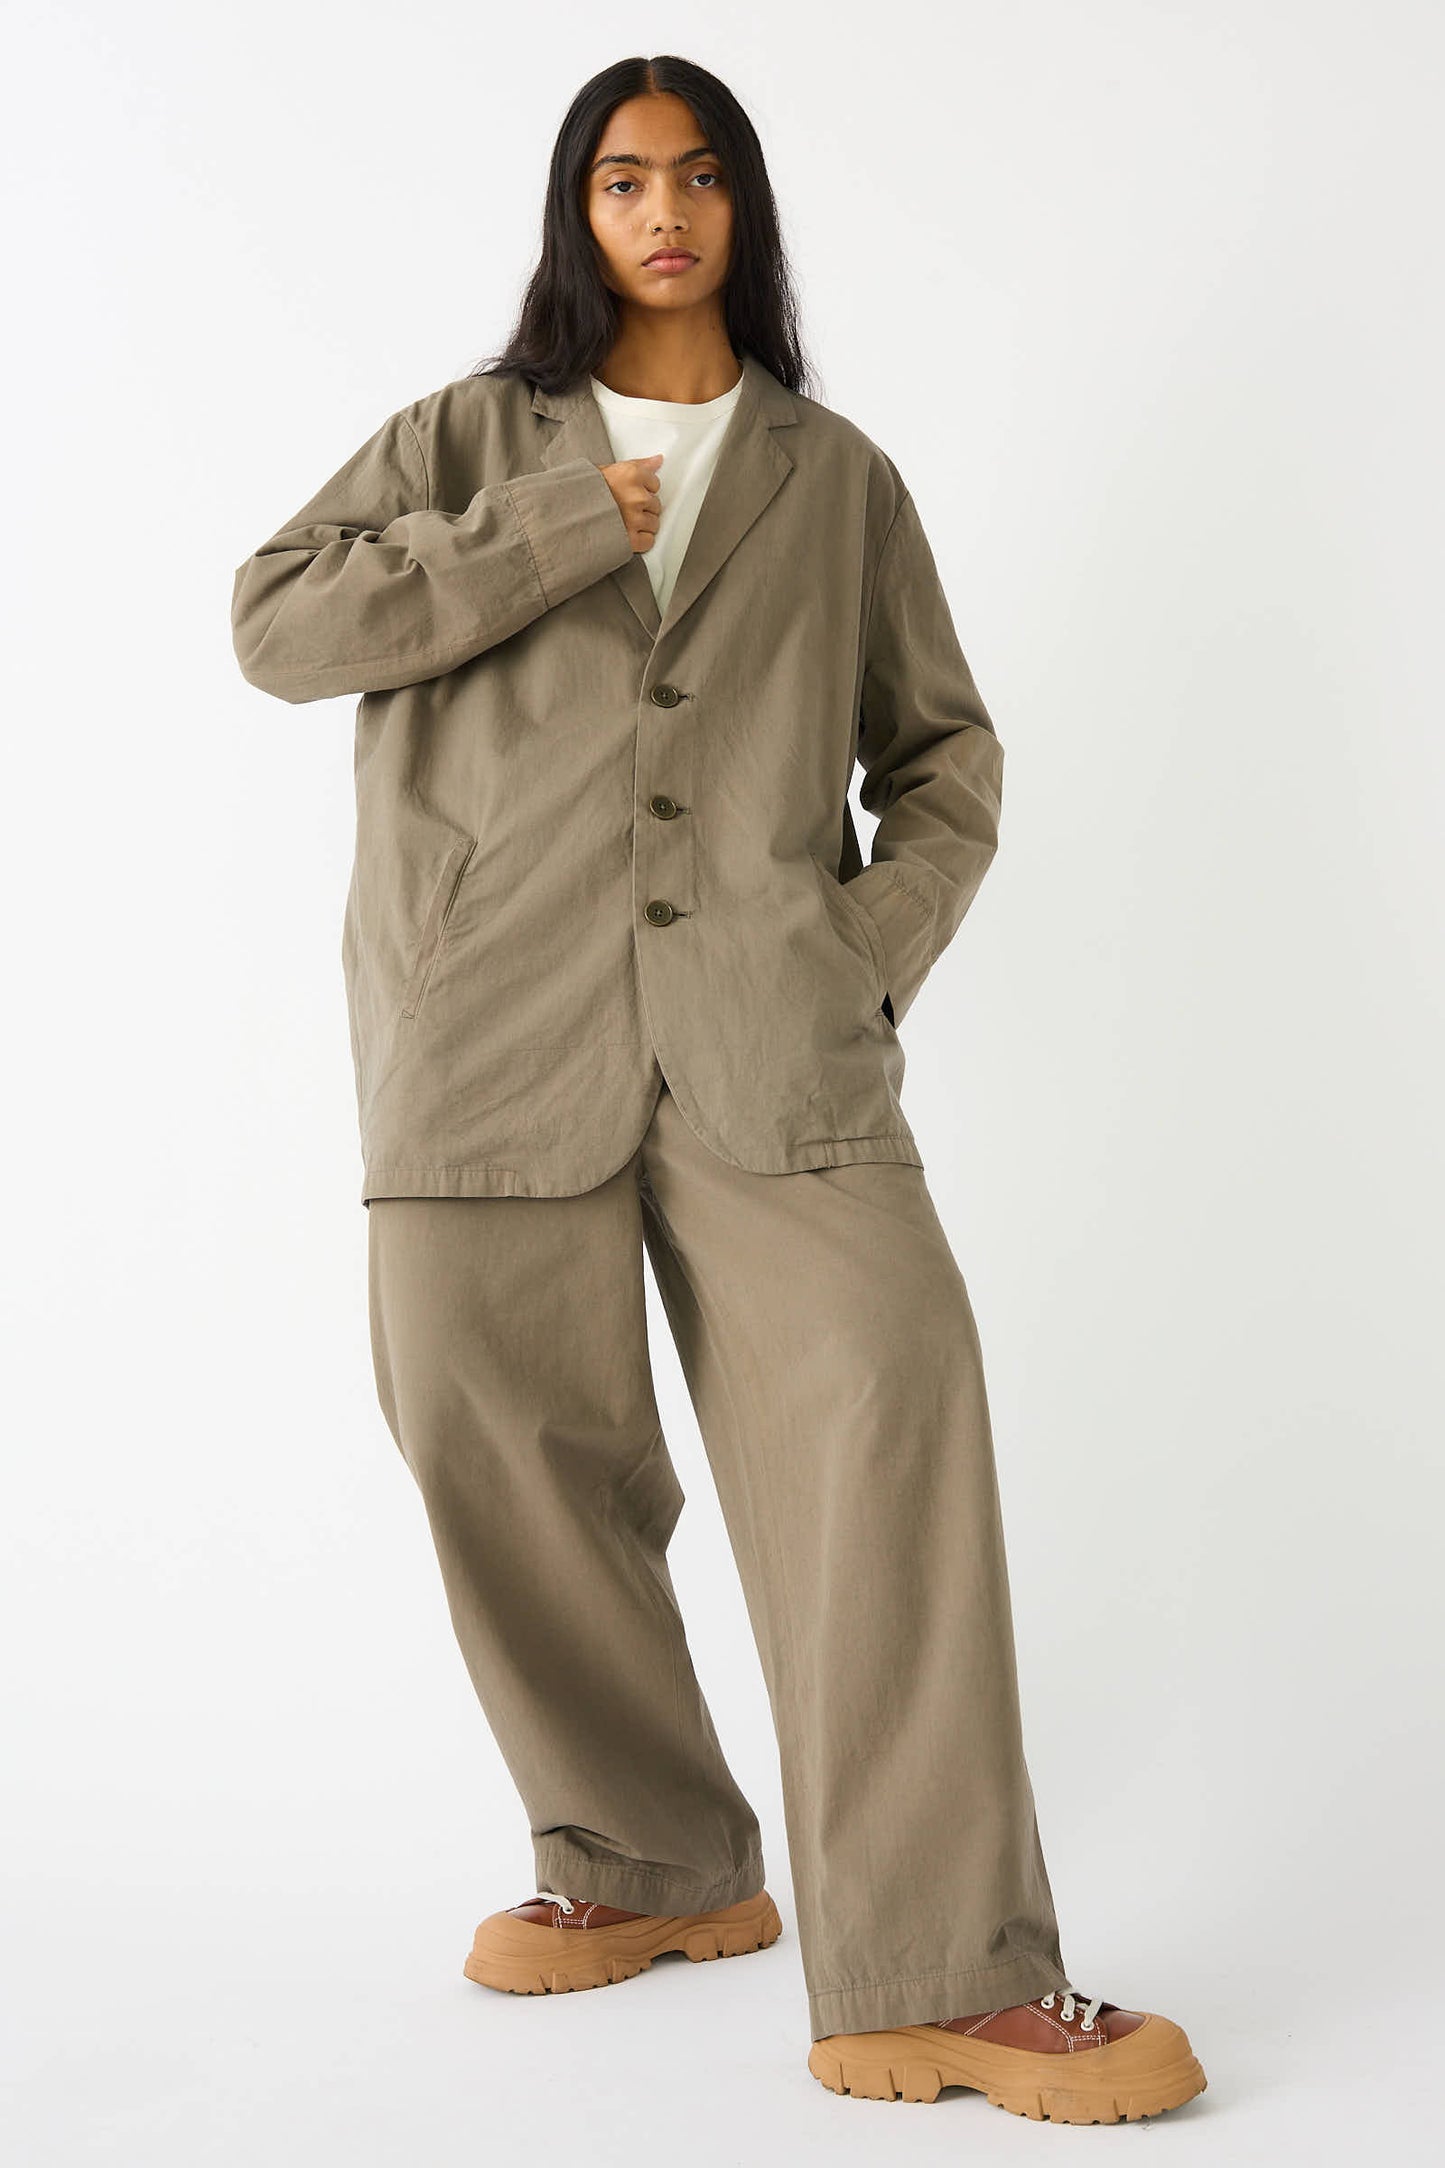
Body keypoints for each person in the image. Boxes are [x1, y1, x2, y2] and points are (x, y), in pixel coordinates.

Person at [230, 52, 1207, 2125]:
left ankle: (943, 1971)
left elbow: (946, 759)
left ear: (744, 211)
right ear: (573, 215)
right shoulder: (465, 442)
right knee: (488, 1432)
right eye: (617, 179)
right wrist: (553, 528)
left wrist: (853, 955)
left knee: (889, 1403)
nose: (659, 211)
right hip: (487, 1032)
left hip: (776, 1044)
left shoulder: (833, 477)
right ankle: (652, 1858)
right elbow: (279, 622)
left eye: (696, 179)